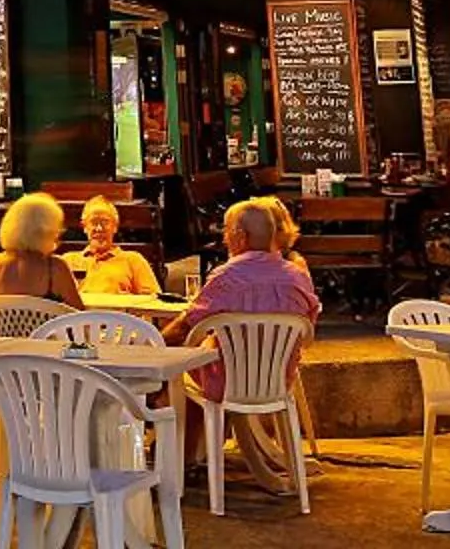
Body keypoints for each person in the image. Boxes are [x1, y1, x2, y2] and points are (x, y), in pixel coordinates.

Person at [163, 197, 319, 467]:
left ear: (239, 235)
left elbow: (187, 325)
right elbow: (308, 325)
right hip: (277, 380)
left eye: (226, 231)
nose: (224, 238)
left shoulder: (227, 277)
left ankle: (180, 462)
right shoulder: (297, 276)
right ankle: (205, 452)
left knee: (172, 373)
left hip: (225, 381)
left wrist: (152, 343)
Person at [0, 192, 86, 306]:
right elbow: (79, 316)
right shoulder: (56, 268)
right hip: (46, 324)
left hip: (1, 324)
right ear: (47, 230)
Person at [67, 194, 161, 298]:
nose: (99, 229)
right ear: (84, 227)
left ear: (115, 227)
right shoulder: (68, 262)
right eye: (94, 222)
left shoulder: (133, 260)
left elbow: (154, 300)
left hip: (118, 313)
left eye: (105, 222)